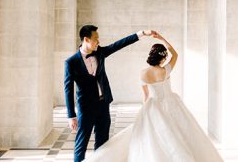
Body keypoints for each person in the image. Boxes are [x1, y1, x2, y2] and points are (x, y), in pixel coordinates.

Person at [85, 32, 223, 161]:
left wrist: (144, 110)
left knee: (154, 136)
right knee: (179, 134)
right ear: (162, 57)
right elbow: (175, 54)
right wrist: (162, 38)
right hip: (172, 103)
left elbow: (145, 95)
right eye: (164, 57)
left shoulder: (143, 73)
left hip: (153, 105)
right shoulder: (165, 70)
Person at [64, 25, 154, 162]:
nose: (98, 41)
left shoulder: (99, 52)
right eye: (95, 38)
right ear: (86, 39)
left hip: (103, 105)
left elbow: (119, 44)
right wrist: (71, 115)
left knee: (102, 144)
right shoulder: (71, 62)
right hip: (85, 108)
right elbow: (68, 89)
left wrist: (141, 33)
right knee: (81, 144)